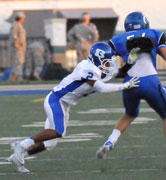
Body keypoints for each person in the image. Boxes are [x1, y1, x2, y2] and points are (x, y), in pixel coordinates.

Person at [8, 42, 139, 173]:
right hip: (56, 100)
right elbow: (101, 87)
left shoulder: (104, 67)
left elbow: (120, 72)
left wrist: (130, 62)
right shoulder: (87, 68)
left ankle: (18, 157)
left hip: (65, 104)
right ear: (97, 60)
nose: (109, 65)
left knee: (50, 143)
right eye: (106, 62)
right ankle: (22, 145)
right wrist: (124, 86)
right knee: (58, 131)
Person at [96, 12, 166, 169]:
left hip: (130, 82)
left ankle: (110, 141)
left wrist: (114, 72)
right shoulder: (155, 34)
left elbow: (104, 61)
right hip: (150, 81)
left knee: (130, 114)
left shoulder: (117, 40)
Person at [8, 12, 27, 81]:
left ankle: (12, 78)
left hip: (20, 48)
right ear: (21, 18)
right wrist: (17, 45)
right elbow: (14, 35)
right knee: (18, 62)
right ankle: (19, 77)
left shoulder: (19, 25)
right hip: (17, 48)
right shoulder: (16, 25)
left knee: (18, 62)